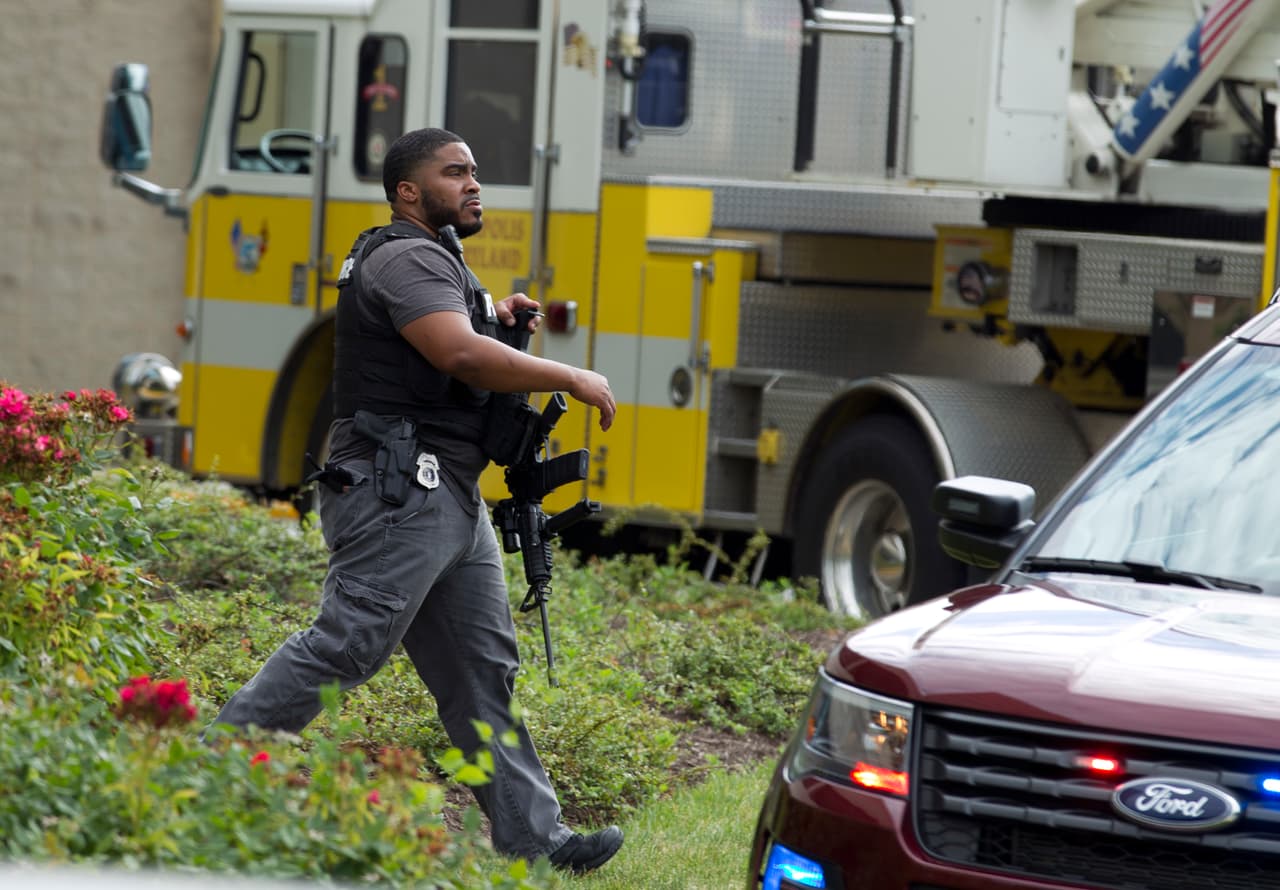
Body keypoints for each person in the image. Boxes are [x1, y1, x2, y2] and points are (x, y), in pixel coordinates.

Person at [211, 127, 622, 874]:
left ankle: (538, 837)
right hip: (398, 488)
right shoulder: (405, 257)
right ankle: (202, 768)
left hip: (445, 494)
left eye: (474, 171)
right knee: (348, 644)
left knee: (480, 667)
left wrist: (499, 319)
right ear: (408, 191)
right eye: (454, 172)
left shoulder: (433, 258)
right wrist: (568, 375)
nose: (472, 184)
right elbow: (456, 353)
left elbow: (461, 337)